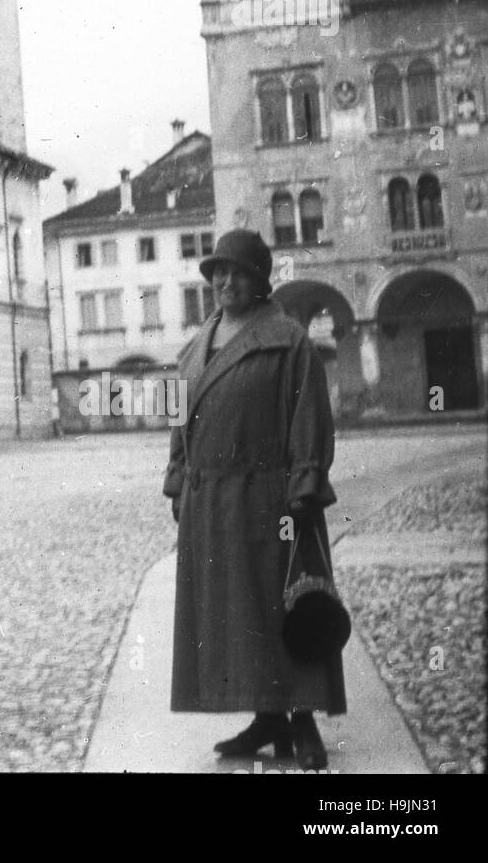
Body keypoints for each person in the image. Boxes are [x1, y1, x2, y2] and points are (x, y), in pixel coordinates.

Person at [163, 229, 346, 770]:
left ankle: (304, 719)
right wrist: (177, 477)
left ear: (261, 279)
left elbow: (310, 415)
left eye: (238, 272)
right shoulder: (197, 345)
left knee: (282, 606)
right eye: (218, 271)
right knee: (236, 614)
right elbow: (179, 417)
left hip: (271, 498)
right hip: (211, 501)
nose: (225, 281)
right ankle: (267, 717)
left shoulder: (287, 338)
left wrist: (305, 486)